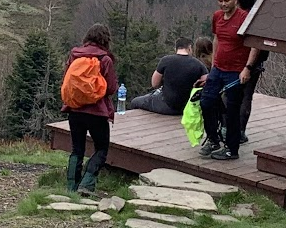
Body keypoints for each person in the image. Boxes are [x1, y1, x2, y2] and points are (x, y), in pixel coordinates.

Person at [62, 23, 117, 197]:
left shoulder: (74, 54)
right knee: (101, 149)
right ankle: (87, 183)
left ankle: (71, 187)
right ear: (106, 39)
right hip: (97, 112)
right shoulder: (105, 59)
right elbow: (111, 88)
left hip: (75, 110)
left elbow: (67, 79)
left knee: (76, 149)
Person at [200, 0, 252, 160]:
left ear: (235, 0)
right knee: (206, 102)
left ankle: (232, 149)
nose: (223, 4)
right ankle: (213, 140)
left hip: (236, 71)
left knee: (232, 110)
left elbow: (254, 45)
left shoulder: (244, 18)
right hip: (218, 69)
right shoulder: (217, 17)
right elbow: (216, 38)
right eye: (220, 1)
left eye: (226, 0)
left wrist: (248, 68)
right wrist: (213, 63)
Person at [128, 36, 206, 115]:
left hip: (166, 106)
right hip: (187, 107)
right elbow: (206, 84)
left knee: (135, 102)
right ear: (189, 48)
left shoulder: (166, 60)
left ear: (176, 48)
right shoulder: (198, 64)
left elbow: (154, 84)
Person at [236, 0, 269, 144]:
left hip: (241, 63)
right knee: (246, 96)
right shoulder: (258, 20)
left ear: (238, 2)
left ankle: (230, 129)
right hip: (255, 66)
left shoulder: (238, 19)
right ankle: (241, 131)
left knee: (233, 96)